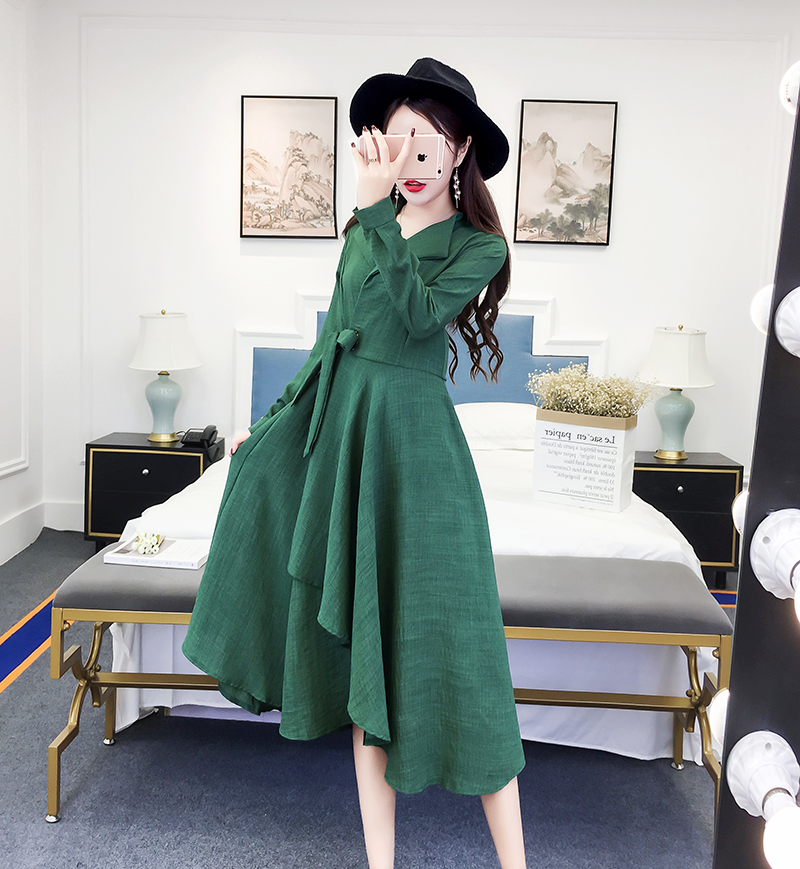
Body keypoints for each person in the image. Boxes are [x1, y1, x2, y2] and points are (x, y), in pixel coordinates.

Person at [182, 58, 527, 869]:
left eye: (426, 142)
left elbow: (417, 318)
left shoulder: (476, 246)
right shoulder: (363, 231)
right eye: (396, 140)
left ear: (459, 150)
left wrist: (376, 214)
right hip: (347, 442)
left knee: (470, 665)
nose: (409, 158)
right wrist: (271, 420)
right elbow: (330, 342)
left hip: (421, 464)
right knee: (365, 667)